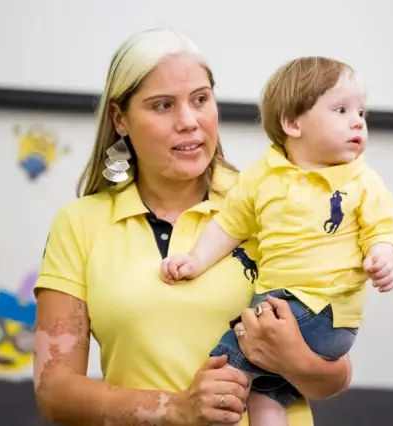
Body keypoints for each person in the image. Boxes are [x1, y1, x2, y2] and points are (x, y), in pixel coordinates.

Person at [32, 29, 353, 426]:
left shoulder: (275, 202)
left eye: (200, 99)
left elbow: (335, 377)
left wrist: (297, 360)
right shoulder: (78, 225)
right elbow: (56, 392)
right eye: (163, 105)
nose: (188, 121)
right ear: (120, 119)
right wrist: (177, 408)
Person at [160, 56, 393, 426]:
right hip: (290, 309)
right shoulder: (262, 175)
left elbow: (383, 229)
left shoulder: (362, 180)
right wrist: (195, 259)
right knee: (266, 391)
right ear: (292, 123)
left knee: (224, 367)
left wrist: (382, 257)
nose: (358, 121)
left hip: (320, 309)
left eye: (362, 113)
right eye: (341, 110)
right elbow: (230, 226)